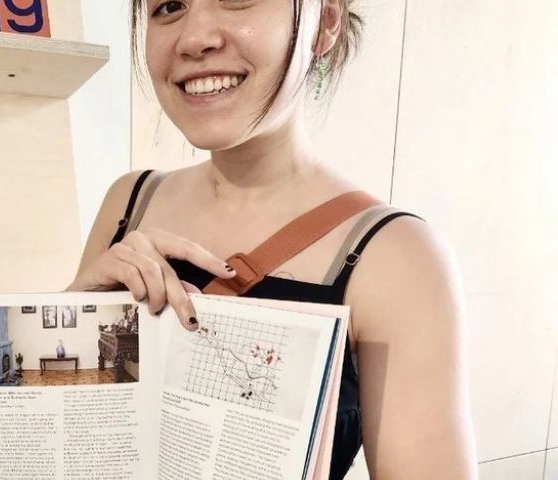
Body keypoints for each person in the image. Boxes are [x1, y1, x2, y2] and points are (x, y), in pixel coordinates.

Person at [67, 0, 478, 478]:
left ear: (325, 21)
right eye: (169, 6)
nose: (194, 38)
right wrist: (73, 306)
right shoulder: (129, 202)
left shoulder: (398, 256)